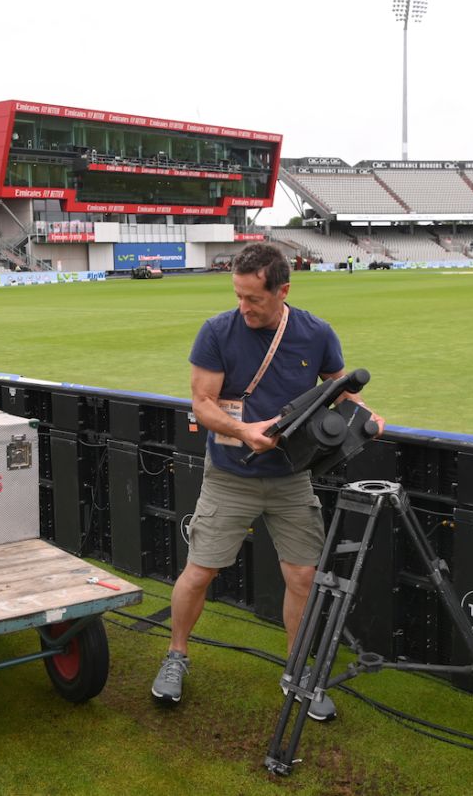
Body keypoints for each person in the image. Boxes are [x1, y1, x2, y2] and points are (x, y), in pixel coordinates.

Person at [151, 243, 383, 720]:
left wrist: (369, 417)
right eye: (238, 295)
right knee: (201, 571)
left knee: (302, 576)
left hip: (292, 478)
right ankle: (176, 656)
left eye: (253, 298)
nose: (244, 307)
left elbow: (338, 391)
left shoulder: (316, 332)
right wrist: (243, 431)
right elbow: (202, 403)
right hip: (230, 476)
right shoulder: (216, 331)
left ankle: (297, 673)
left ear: (283, 291)